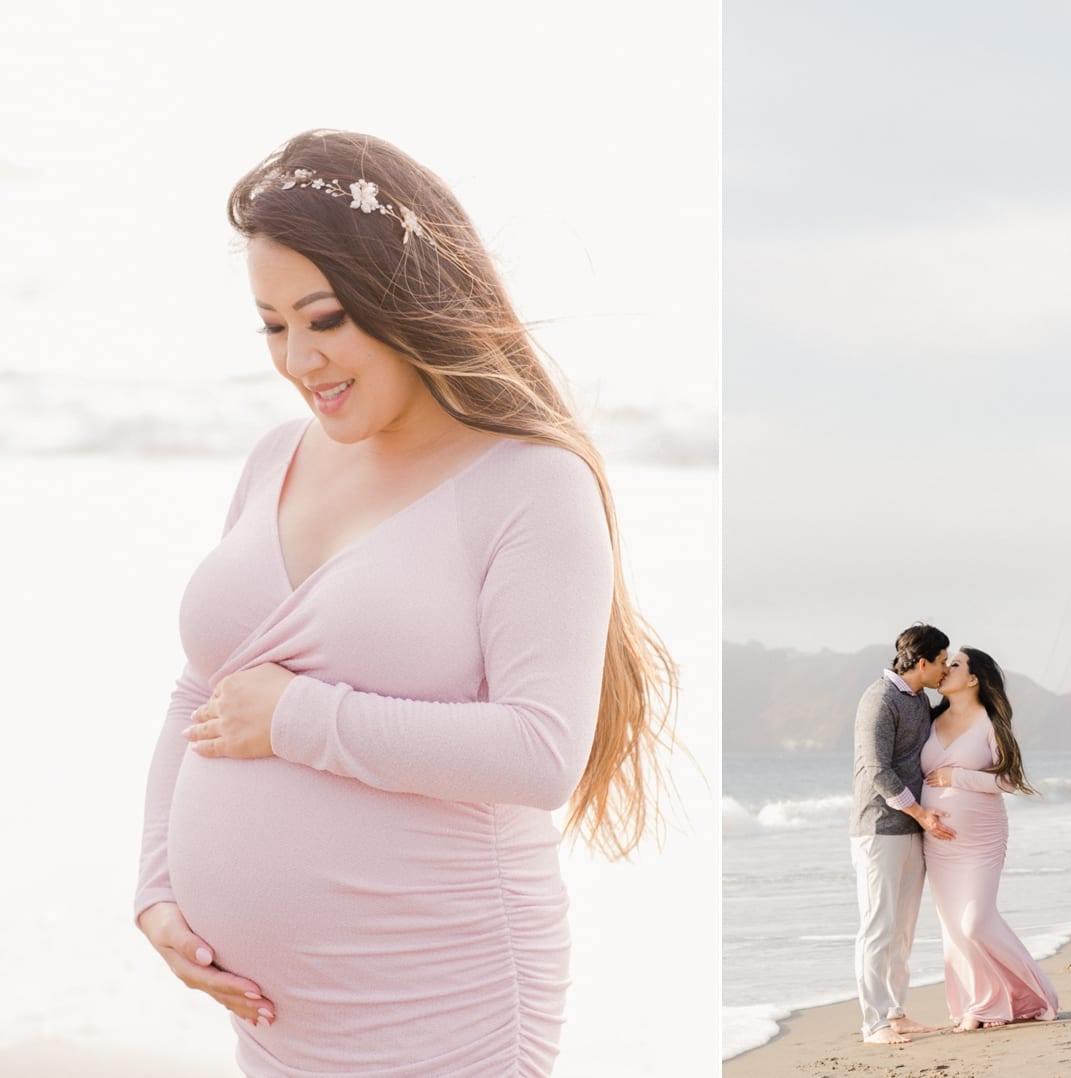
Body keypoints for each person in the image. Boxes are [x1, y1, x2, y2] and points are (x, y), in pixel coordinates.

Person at [133, 129, 676, 1077]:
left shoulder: (531, 482)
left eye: (326, 317)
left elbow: (541, 752)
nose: (299, 360)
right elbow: (203, 694)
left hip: (440, 991)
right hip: (272, 1017)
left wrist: (300, 717)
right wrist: (157, 889)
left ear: (408, 298)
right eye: (272, 326)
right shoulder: (277, 458)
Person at [921, 646, 1058, 1031]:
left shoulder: (990, 723)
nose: (945, 669)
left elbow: (1009, 782)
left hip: (981, 838)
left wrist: (955, 778)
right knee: (954, 930)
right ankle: (979, 1006)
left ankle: (1036, 992)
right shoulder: (929, 720)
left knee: (976, 923)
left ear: (974, 678)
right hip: (939, 841)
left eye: (955, 664)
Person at [849, 623, 955, 1045]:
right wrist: (919, 812)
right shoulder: (880, 698)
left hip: (914, 827)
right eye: (943, 662)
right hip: (878, 828)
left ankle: (896, 1013)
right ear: (923, 662)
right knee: (878, 926)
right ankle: (873, 1023)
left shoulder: (920, 698)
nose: (946, 669)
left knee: (904, 928)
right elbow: (877, 769)